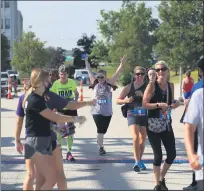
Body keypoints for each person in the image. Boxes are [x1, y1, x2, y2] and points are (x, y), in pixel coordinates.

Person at [15, 73, 95, 190]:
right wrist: (78, 115)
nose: (50, 83)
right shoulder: (41, 98)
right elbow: (61, 112)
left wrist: (17, 140)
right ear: (41, 82)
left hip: (37, 138)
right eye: (48, 81)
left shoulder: (26, 97)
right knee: (55, 174)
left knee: (35, 175)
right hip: (42, 139)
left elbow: (22, 122)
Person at [143, 61, 180, 190]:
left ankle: (161, 177)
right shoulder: (152, 86)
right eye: (157, 70)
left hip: (166, 123)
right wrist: (158, 105)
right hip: (153, 124)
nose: (160, 72)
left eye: (163, 69)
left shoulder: (170, 86)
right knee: (158, 155)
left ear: (167, 70)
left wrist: (175, 104)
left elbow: (171, 102)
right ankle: (157, 184)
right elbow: (145, 104)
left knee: (172, 154)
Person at [85, 55, 126, 155]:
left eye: (102, 77)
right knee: (100, 129)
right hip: (96, 111)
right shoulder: (94, 83)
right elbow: (89, 71)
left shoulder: (109, 83)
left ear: (105, 77)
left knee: (104, 130)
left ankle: (100, 141)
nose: (99, 79)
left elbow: (117, 73)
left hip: (107, 112)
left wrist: (122, 64)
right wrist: (86, 61)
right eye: (98, 77)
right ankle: (101, 147)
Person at [117, 66, 148, 172]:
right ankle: (137, 162)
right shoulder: (129, 87)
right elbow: (118, 100)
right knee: (135, 137)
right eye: (137, 74)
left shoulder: (148, 86)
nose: (139, 76)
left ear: (145, 75)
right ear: (134, 75)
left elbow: (152, 100)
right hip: (132, 112)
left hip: (144, 113)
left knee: (143, 139)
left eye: (142, 74)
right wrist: (127, 100)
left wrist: (143, 95)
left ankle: (139, 160)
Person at [182, 57, 204, 191]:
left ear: (200, 71)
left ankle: (194, 183)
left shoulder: (198, 88)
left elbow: (189, 126)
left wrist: (190, 154)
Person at [50, 65, 79, 162]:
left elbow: (76, 93)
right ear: (59, 74)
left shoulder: (72, 82)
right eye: (61, 74)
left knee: (71, 130)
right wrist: (53, 107)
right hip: (60, 109)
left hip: (70, 108)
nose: (62, 76)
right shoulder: (56, 84)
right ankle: (60, 151)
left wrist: (75, 100)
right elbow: (51, 96)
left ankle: (69, 152)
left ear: (68, 74)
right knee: (60, 130)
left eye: (64, 74)